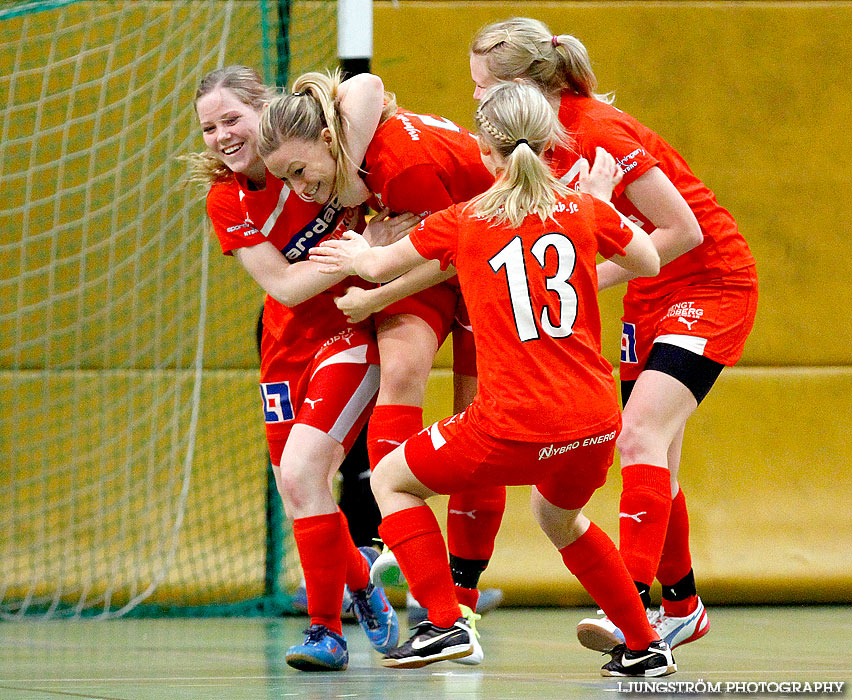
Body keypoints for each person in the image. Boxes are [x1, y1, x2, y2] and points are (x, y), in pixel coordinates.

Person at [309, 81, 676, 677]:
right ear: (552, 143)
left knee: (394, 481)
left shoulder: (465, 219)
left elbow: (376, 266)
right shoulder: (581, 209)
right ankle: (644, 643)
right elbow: (649, 261)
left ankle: (445, 623)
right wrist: (601, 202)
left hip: (515, 421)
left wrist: (351, 249)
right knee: (559, 518)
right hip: (593, 420)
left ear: (485, 152)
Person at [468, 18, 759, 652]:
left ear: (524, 84)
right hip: (647, 290)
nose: (478, 103)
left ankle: (631, 608)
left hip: (709, 285)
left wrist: (572, 280)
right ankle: (681, 606)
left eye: (483, 88)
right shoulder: (537, 143)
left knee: (639, 436)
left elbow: (684, 231)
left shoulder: (595, 131)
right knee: (660, 459)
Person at [255, 71, 506, 646]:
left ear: (327, 139)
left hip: (485, 259)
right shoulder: (346, 151)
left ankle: (457, 604)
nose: (296, 188)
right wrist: (374, 255)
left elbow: (450, 256)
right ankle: (402, 532)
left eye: (299, 171)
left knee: (480, 425)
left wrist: (375, 288)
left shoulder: (398, 164)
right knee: (400, 369)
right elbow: (363, 88)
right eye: (284, 178)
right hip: (434, 253)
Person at [185, 65, 402, 671]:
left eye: (232, 118)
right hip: (284, 347)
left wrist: (379, 253)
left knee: (307, 469)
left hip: (349, 331)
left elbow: (369, 86)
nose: (222, 135)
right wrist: (366, 247)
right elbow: (283, 284)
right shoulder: (226, 198)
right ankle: (360, 577)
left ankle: (324, 632)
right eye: (208, 127)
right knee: (295, 486)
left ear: (266, 108)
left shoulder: (320, 146)